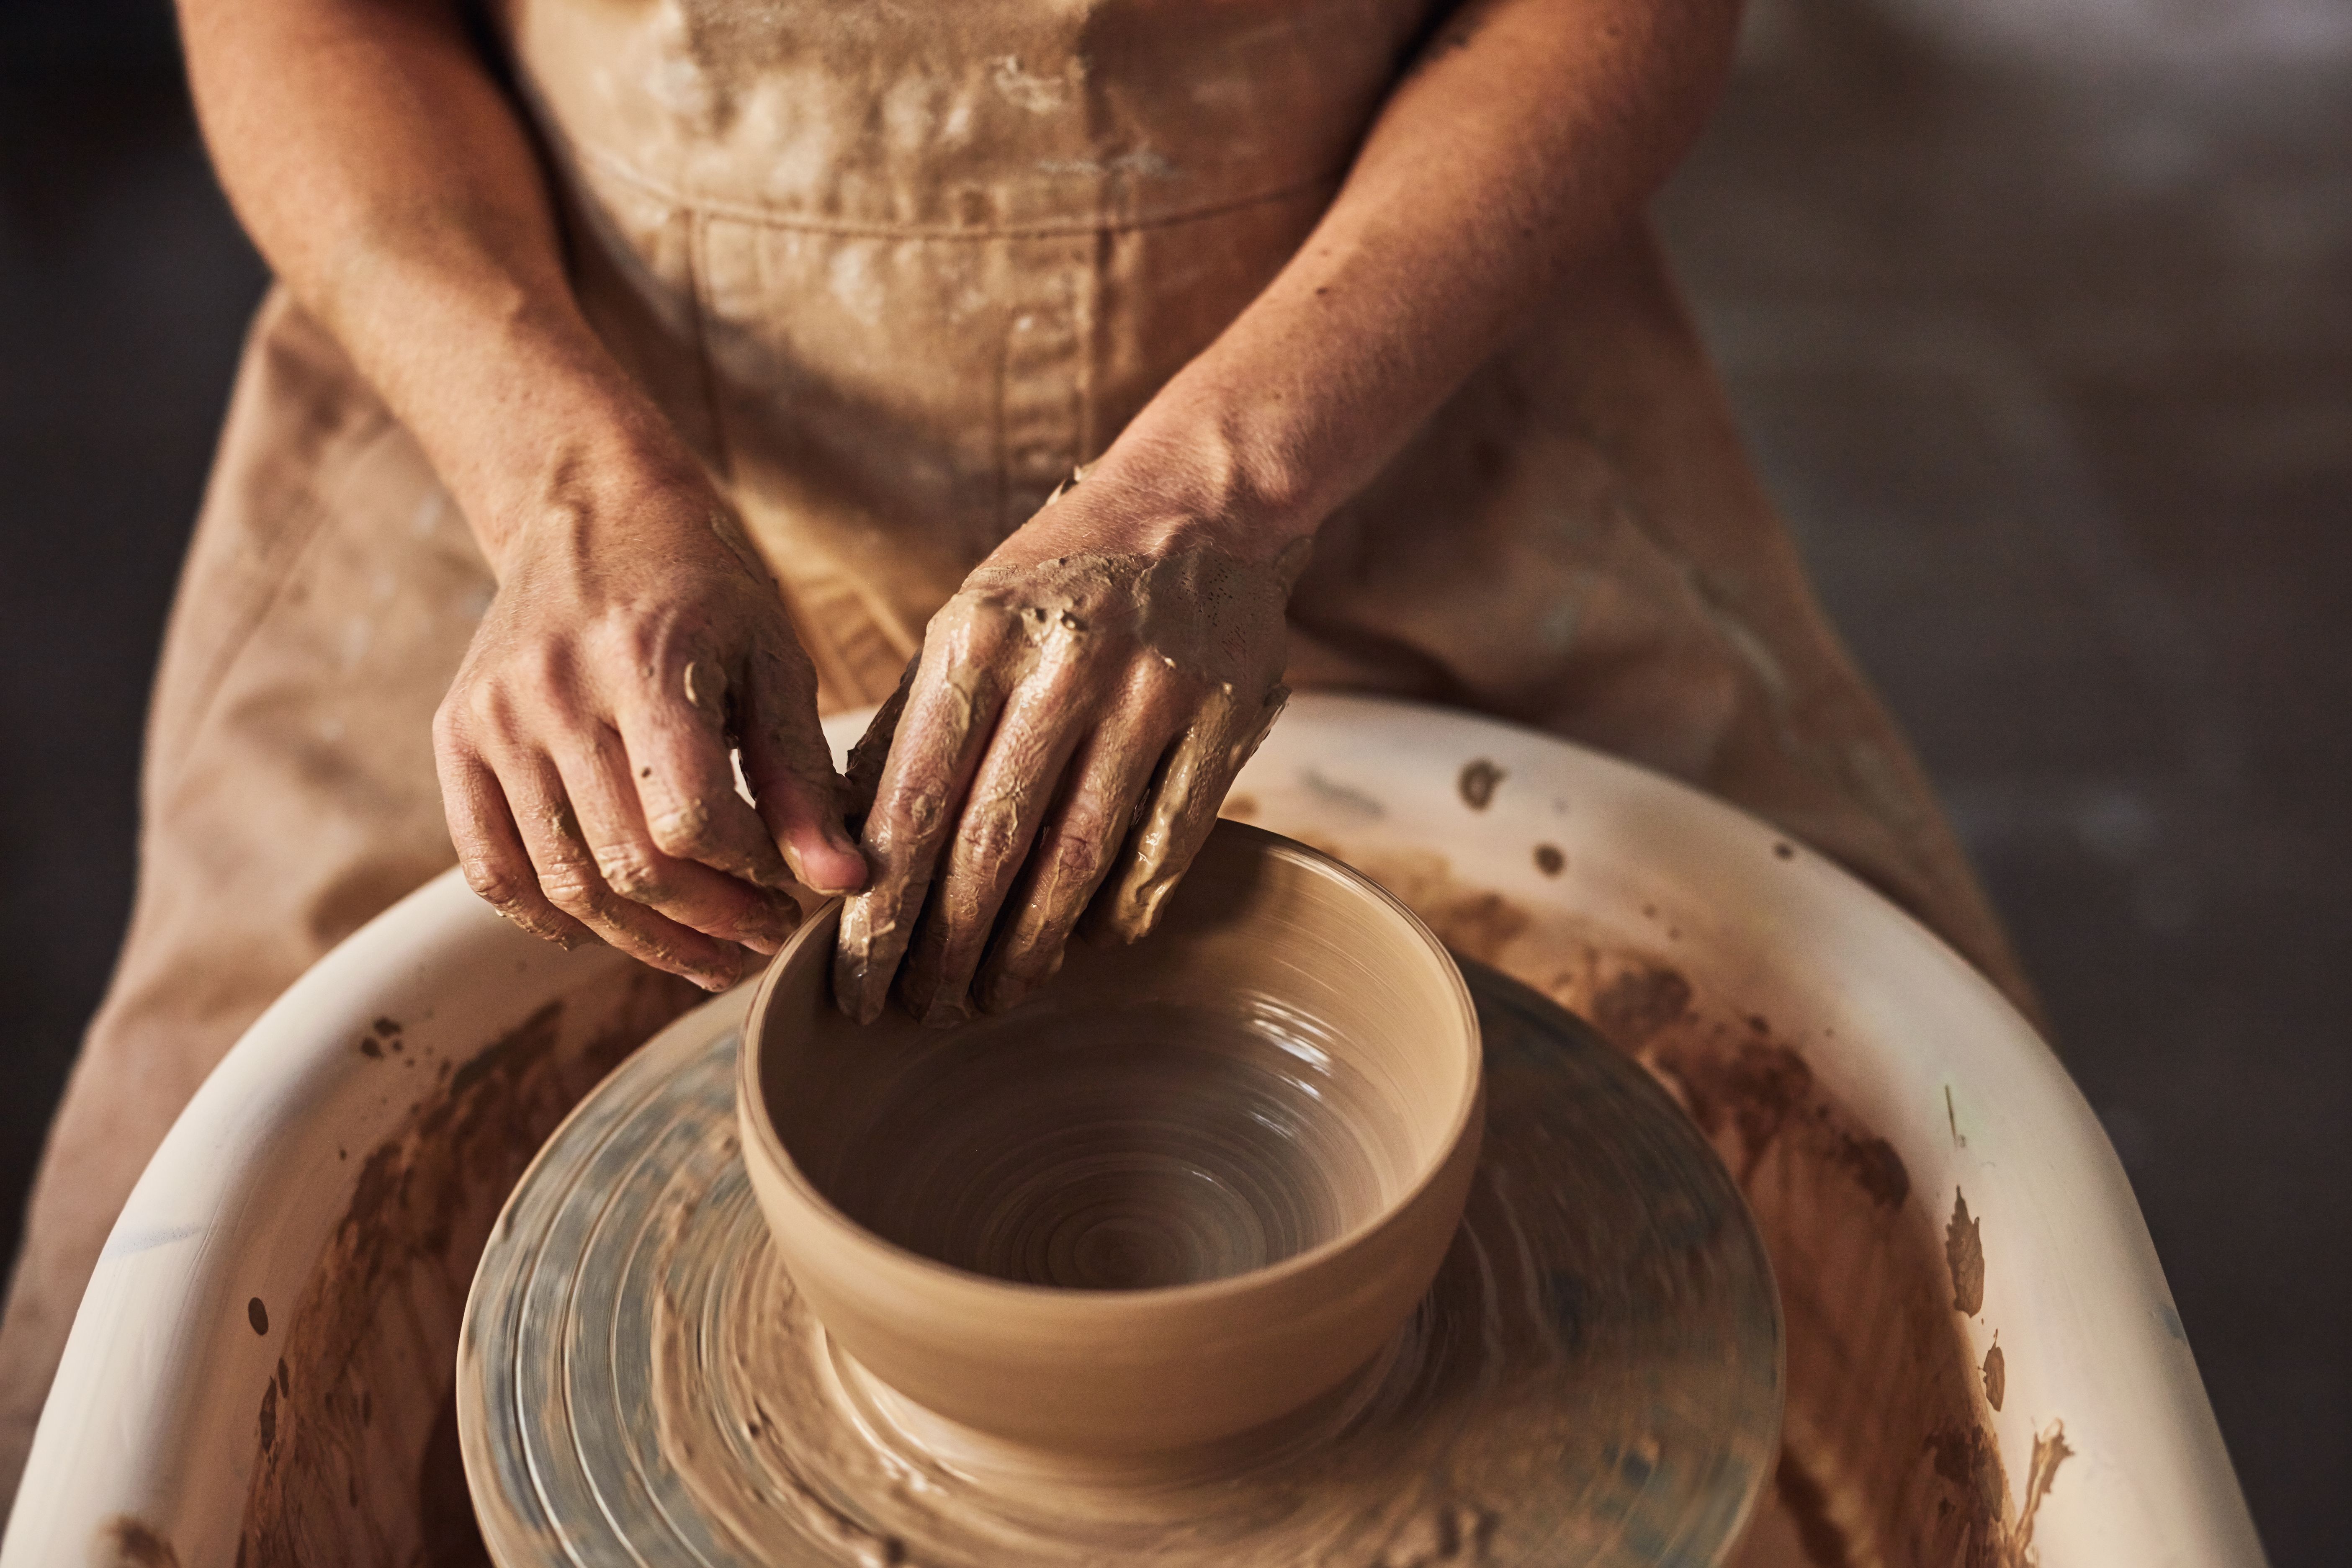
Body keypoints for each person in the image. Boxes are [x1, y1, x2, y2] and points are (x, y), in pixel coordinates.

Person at [0, 0, 2036, 1501]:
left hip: (1373, 390)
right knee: (165, 1292)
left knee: (1918, 1175)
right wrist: (552, 488)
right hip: (551, 409)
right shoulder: (547, 469)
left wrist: (1227, 489)